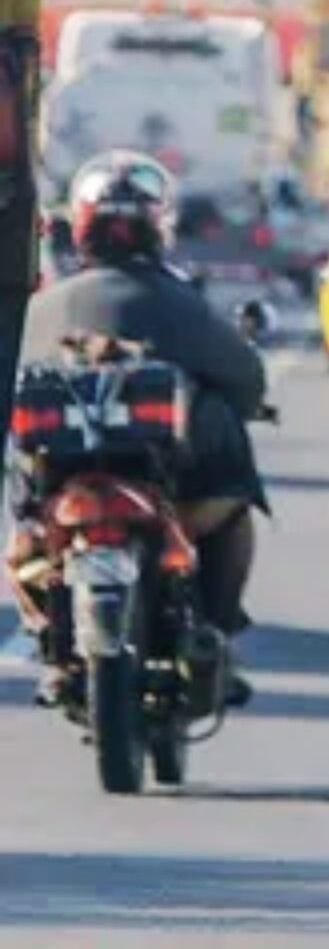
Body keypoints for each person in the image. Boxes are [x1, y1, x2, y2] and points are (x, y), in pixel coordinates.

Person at [15, 151, 268, 706]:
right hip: (119, 509)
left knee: (22, 540)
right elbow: (246, 380)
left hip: (84, 512)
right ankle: (215, 637)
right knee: (231, 509)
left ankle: (51, 642)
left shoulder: (41, 309)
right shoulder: (185, 305)